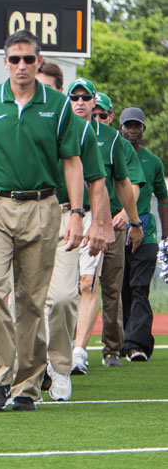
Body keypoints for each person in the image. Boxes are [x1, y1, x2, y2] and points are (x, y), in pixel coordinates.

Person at [0, 30, 85, 413]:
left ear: (39, 62)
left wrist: (76, 213)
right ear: (4, 62)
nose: (22, 66)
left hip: (43, 207)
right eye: (15, 59)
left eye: (29, 59)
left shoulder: (59, 106)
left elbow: (72, 161)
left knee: (30, 301)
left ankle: (26, 386)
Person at [38, 74, 110, 402]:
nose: (78, 102)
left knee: (69, 295)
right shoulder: (15, 119)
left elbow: (101, 181)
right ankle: (30, 365)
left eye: (84, 97)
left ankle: (64, 362)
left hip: (69, 213)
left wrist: (98, 222)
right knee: (20, 298)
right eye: (74, 96)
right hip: (25, 213)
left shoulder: (83, 131)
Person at [72, 91, 143, 372]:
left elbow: (131, 182)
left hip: (111, 224)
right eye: (95, 112)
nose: (97, 117)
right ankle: (70, 346)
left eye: (102, 114)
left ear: (109, 116)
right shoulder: (64, 131)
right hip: (77, 219)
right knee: (74, 287)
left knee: (111, 288)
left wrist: (127, 215)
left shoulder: (116, 140)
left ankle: (112, 347)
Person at [119, 107, 168, 361]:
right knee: (122, 290)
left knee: (139, 287)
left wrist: (165, 235)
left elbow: (163, 197)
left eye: (136, 126)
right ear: (121, 128)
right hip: (117, 233)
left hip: (146, 235)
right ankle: (130, 340)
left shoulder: (153, 162)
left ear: (143, 129)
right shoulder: (113, 156)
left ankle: (135, 344)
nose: (132, 131)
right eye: (128, 126)